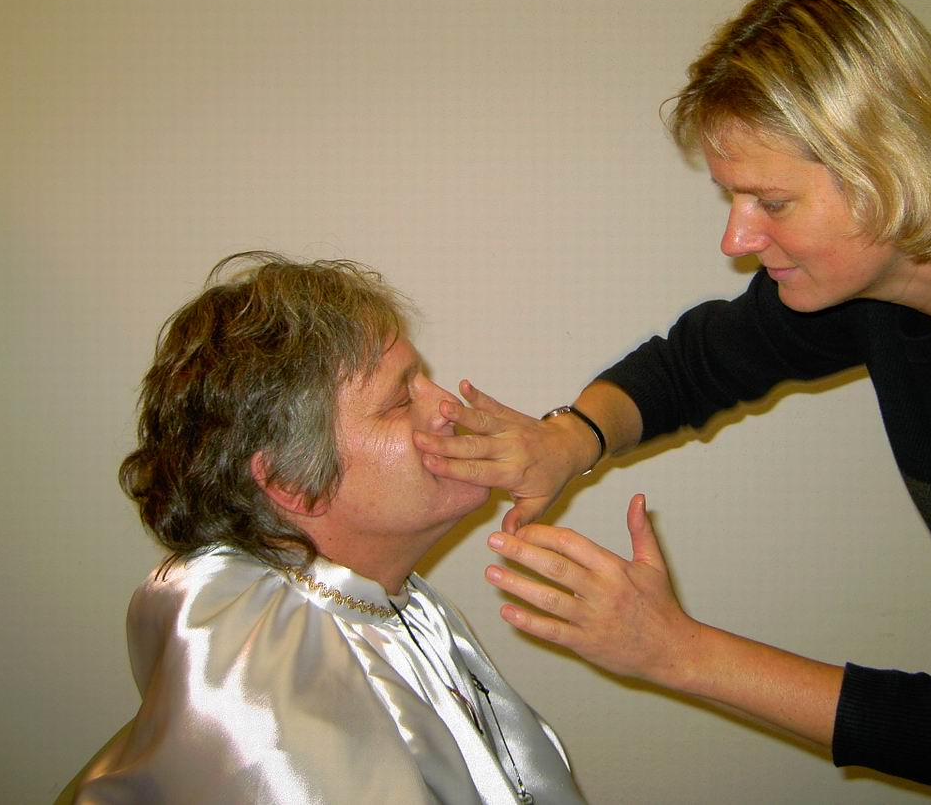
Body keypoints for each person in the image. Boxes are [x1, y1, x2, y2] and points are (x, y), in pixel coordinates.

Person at [413, 0, 931, 801]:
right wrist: (568, 438)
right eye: (733, 197)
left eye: (771, 201)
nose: (736, 238)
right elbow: (701, 360)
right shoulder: (906, 249)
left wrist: (675, 651)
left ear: (893, 168)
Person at [70, 252, 585, 805]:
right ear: (291, 482)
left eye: (424, 379)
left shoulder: (378, 604)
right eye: (399, 400)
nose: (446, 406)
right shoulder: (265, 696)